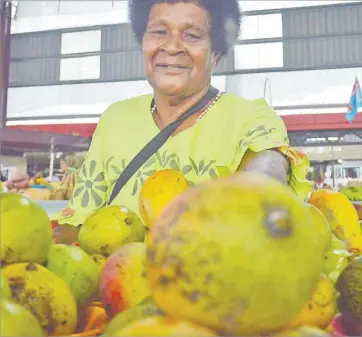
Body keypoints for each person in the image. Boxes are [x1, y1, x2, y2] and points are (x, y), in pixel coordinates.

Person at [53, 0, 312, 244]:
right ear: (142, 42)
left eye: (191, 35)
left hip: (207, 283)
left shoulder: (249, 117)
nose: (173, 46)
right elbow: (80, 220)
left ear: (215, 52)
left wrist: (259, 192)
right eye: (159, 31)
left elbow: (268, 163)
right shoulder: (115, 119)